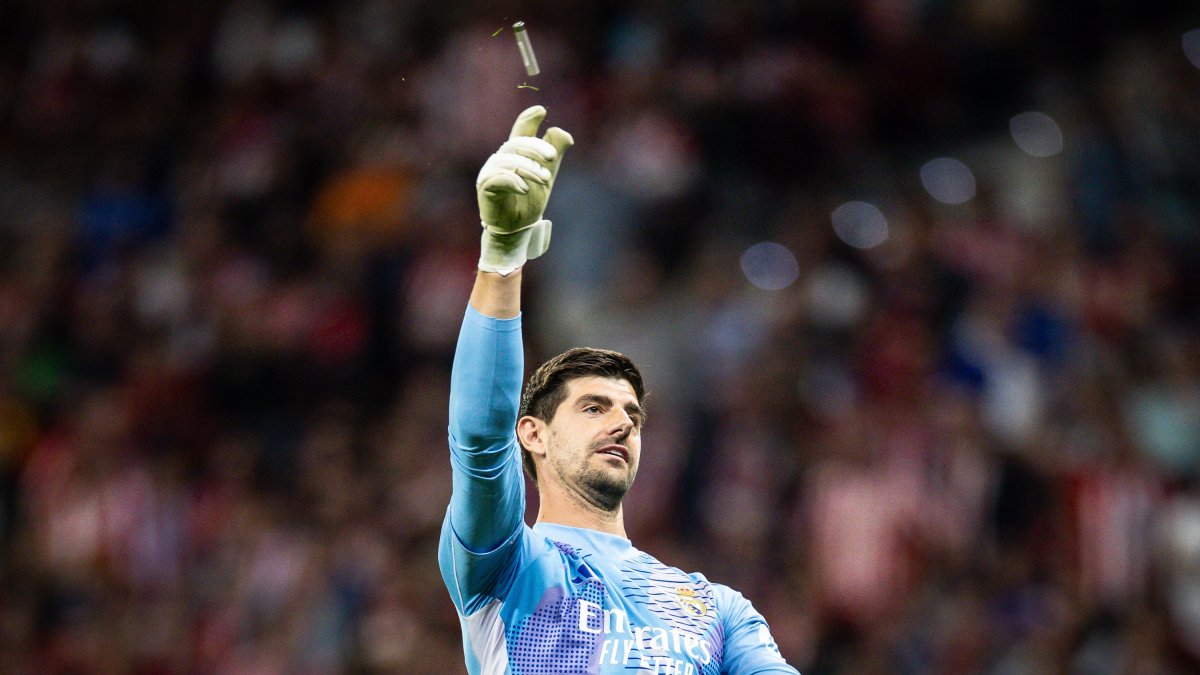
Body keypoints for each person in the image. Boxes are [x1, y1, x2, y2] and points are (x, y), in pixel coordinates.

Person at [439, 105, 799, 674]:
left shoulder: (718, 611)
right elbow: (480, 439)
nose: (623, 423)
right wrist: (502, 257)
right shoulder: (510, 564)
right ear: (533, 434)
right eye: (593, 406)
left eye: (632, 412)